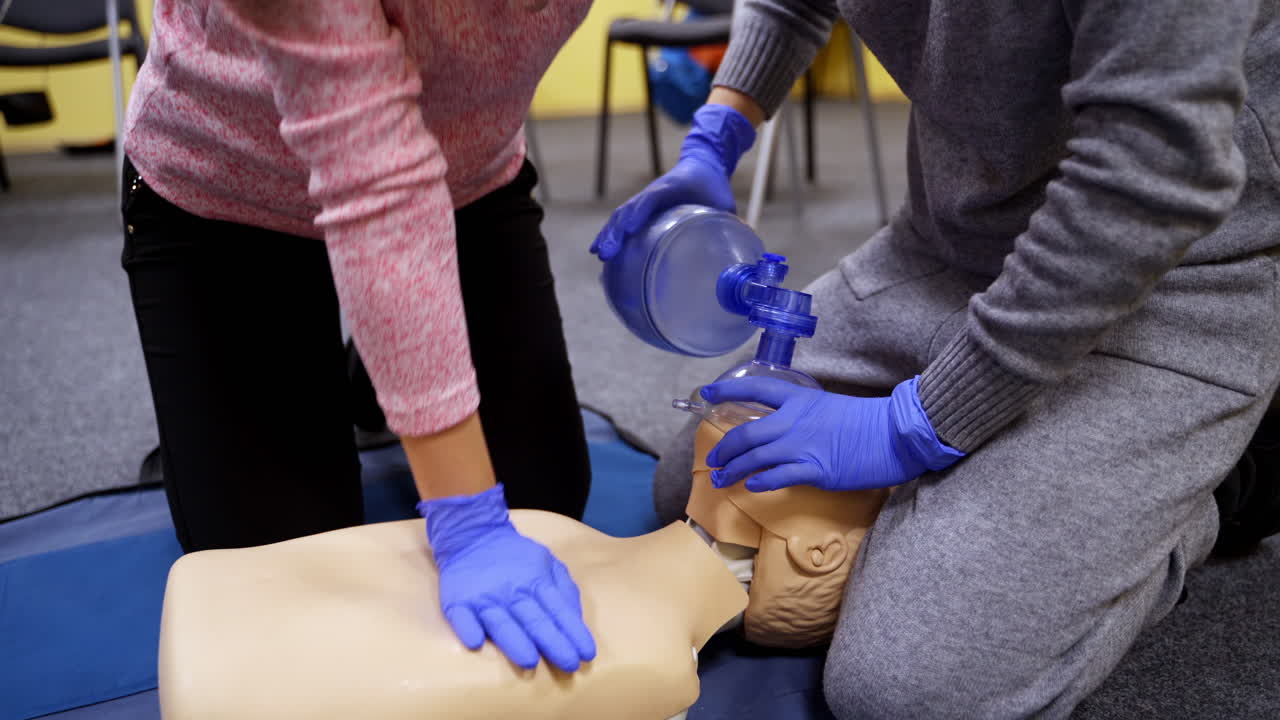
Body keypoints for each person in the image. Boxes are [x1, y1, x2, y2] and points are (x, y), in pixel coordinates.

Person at [594, 1, 1280, 717]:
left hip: (1164, 281)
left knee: (907, 691)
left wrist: (910, 428)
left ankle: (1223, 486)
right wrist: (718, 134)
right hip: (943, 249)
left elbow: (1150, 180)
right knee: (696, 479)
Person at [121, 0, 596, 674]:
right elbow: (374, 176)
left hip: (465, 181)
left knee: (547, 508)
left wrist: (720, 130)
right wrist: (466, 518)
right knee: (278, 578)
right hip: (227, 192)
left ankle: (381, 361)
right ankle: (372, 352)